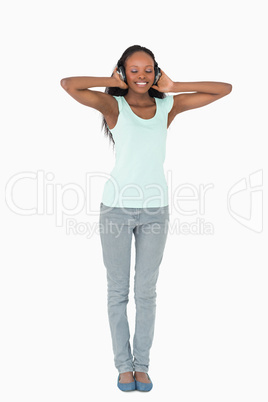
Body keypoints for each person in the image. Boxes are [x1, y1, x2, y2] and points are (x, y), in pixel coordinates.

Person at [60, 45, 232, 392]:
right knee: (118, 292)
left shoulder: (167, 106)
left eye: (148, 69)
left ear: (156, 72)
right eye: (133, 69)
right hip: (117, 209)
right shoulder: (114, 105)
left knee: (147, 293)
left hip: (156, 210)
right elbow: (69, 84)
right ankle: (124, 367)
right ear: (123, 71)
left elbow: (224, 89)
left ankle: (143, 366)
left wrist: (175, 85)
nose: (142, 76)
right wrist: (111, 82)